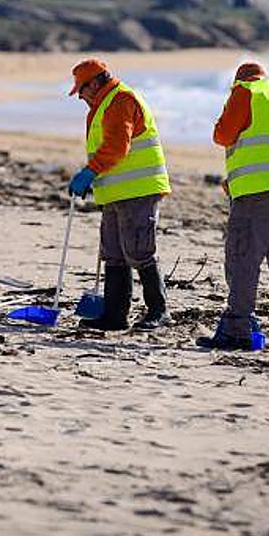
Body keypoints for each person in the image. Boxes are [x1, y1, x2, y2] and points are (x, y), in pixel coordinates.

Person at [199, 61, 269, 352]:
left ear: (240, 80)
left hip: (257, 192)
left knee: (242, 258)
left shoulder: (245, 91)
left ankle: (237, 330)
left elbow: (222, 135)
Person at [66, 59, 171, 332]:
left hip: (139, 189)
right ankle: (114, 315)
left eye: (82, 89)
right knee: (113, 252)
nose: (80, 96)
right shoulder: (103, 104)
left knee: (139, 250)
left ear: (96, 82)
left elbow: (116, 147)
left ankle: (159, 311)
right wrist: (93, 176)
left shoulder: (120, 100)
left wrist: (89, 172)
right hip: (116, 191)